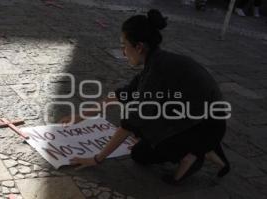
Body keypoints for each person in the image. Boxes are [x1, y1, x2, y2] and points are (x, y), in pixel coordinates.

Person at [60, 9, 230, 185]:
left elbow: (130, 123)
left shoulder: (157, 71)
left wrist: (96, 159)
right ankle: (202, 148)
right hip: (195, 118)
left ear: (139, 47)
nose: (123, 52)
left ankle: (194, 154)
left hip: (207, 125)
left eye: (124, 45)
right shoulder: (157, 61)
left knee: (142, 147)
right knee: (140, 150)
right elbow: (119, 95)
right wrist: (80, 116)